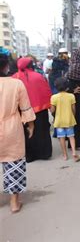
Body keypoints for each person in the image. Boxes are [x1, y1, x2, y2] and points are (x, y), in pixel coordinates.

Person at [0, 53, 35, 213]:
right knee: (14, 164)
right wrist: (30, 125)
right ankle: (14, 203)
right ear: (7, 66)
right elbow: (25, 107)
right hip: (11, 129)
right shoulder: (16, 84)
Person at [12, 57, 53, 162]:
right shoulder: (39, 76)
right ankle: (44, 153)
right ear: (31, 65)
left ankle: (29, 156)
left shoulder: (14, 78)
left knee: (26, 132)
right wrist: (50, 106)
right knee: (42, 130)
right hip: (40, 110)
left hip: (23, 111)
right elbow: (46, 91)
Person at [51, 77, 80, 162]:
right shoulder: (71, 96)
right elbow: (73, 109)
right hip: (69, 120)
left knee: (61, 138)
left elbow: (52, 110)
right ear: (67, 87)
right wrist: (73, 116)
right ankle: (74, 152)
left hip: (59, 121)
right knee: (71, 136)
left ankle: (65, 155)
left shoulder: (54, 97)